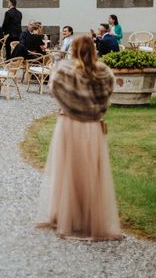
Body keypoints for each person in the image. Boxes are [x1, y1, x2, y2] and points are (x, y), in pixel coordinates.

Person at [37, 34, 122, 241]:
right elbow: (108, 95)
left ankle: (68, 215)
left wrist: (70, 104)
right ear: (93, 49)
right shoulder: (104, 72)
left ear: (73, 49)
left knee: (68, 170)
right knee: (91, 172)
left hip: (69, 123)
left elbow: (53, 90)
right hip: (93, 126)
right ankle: (88, 217)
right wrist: (94, 110)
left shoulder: (64, 70)